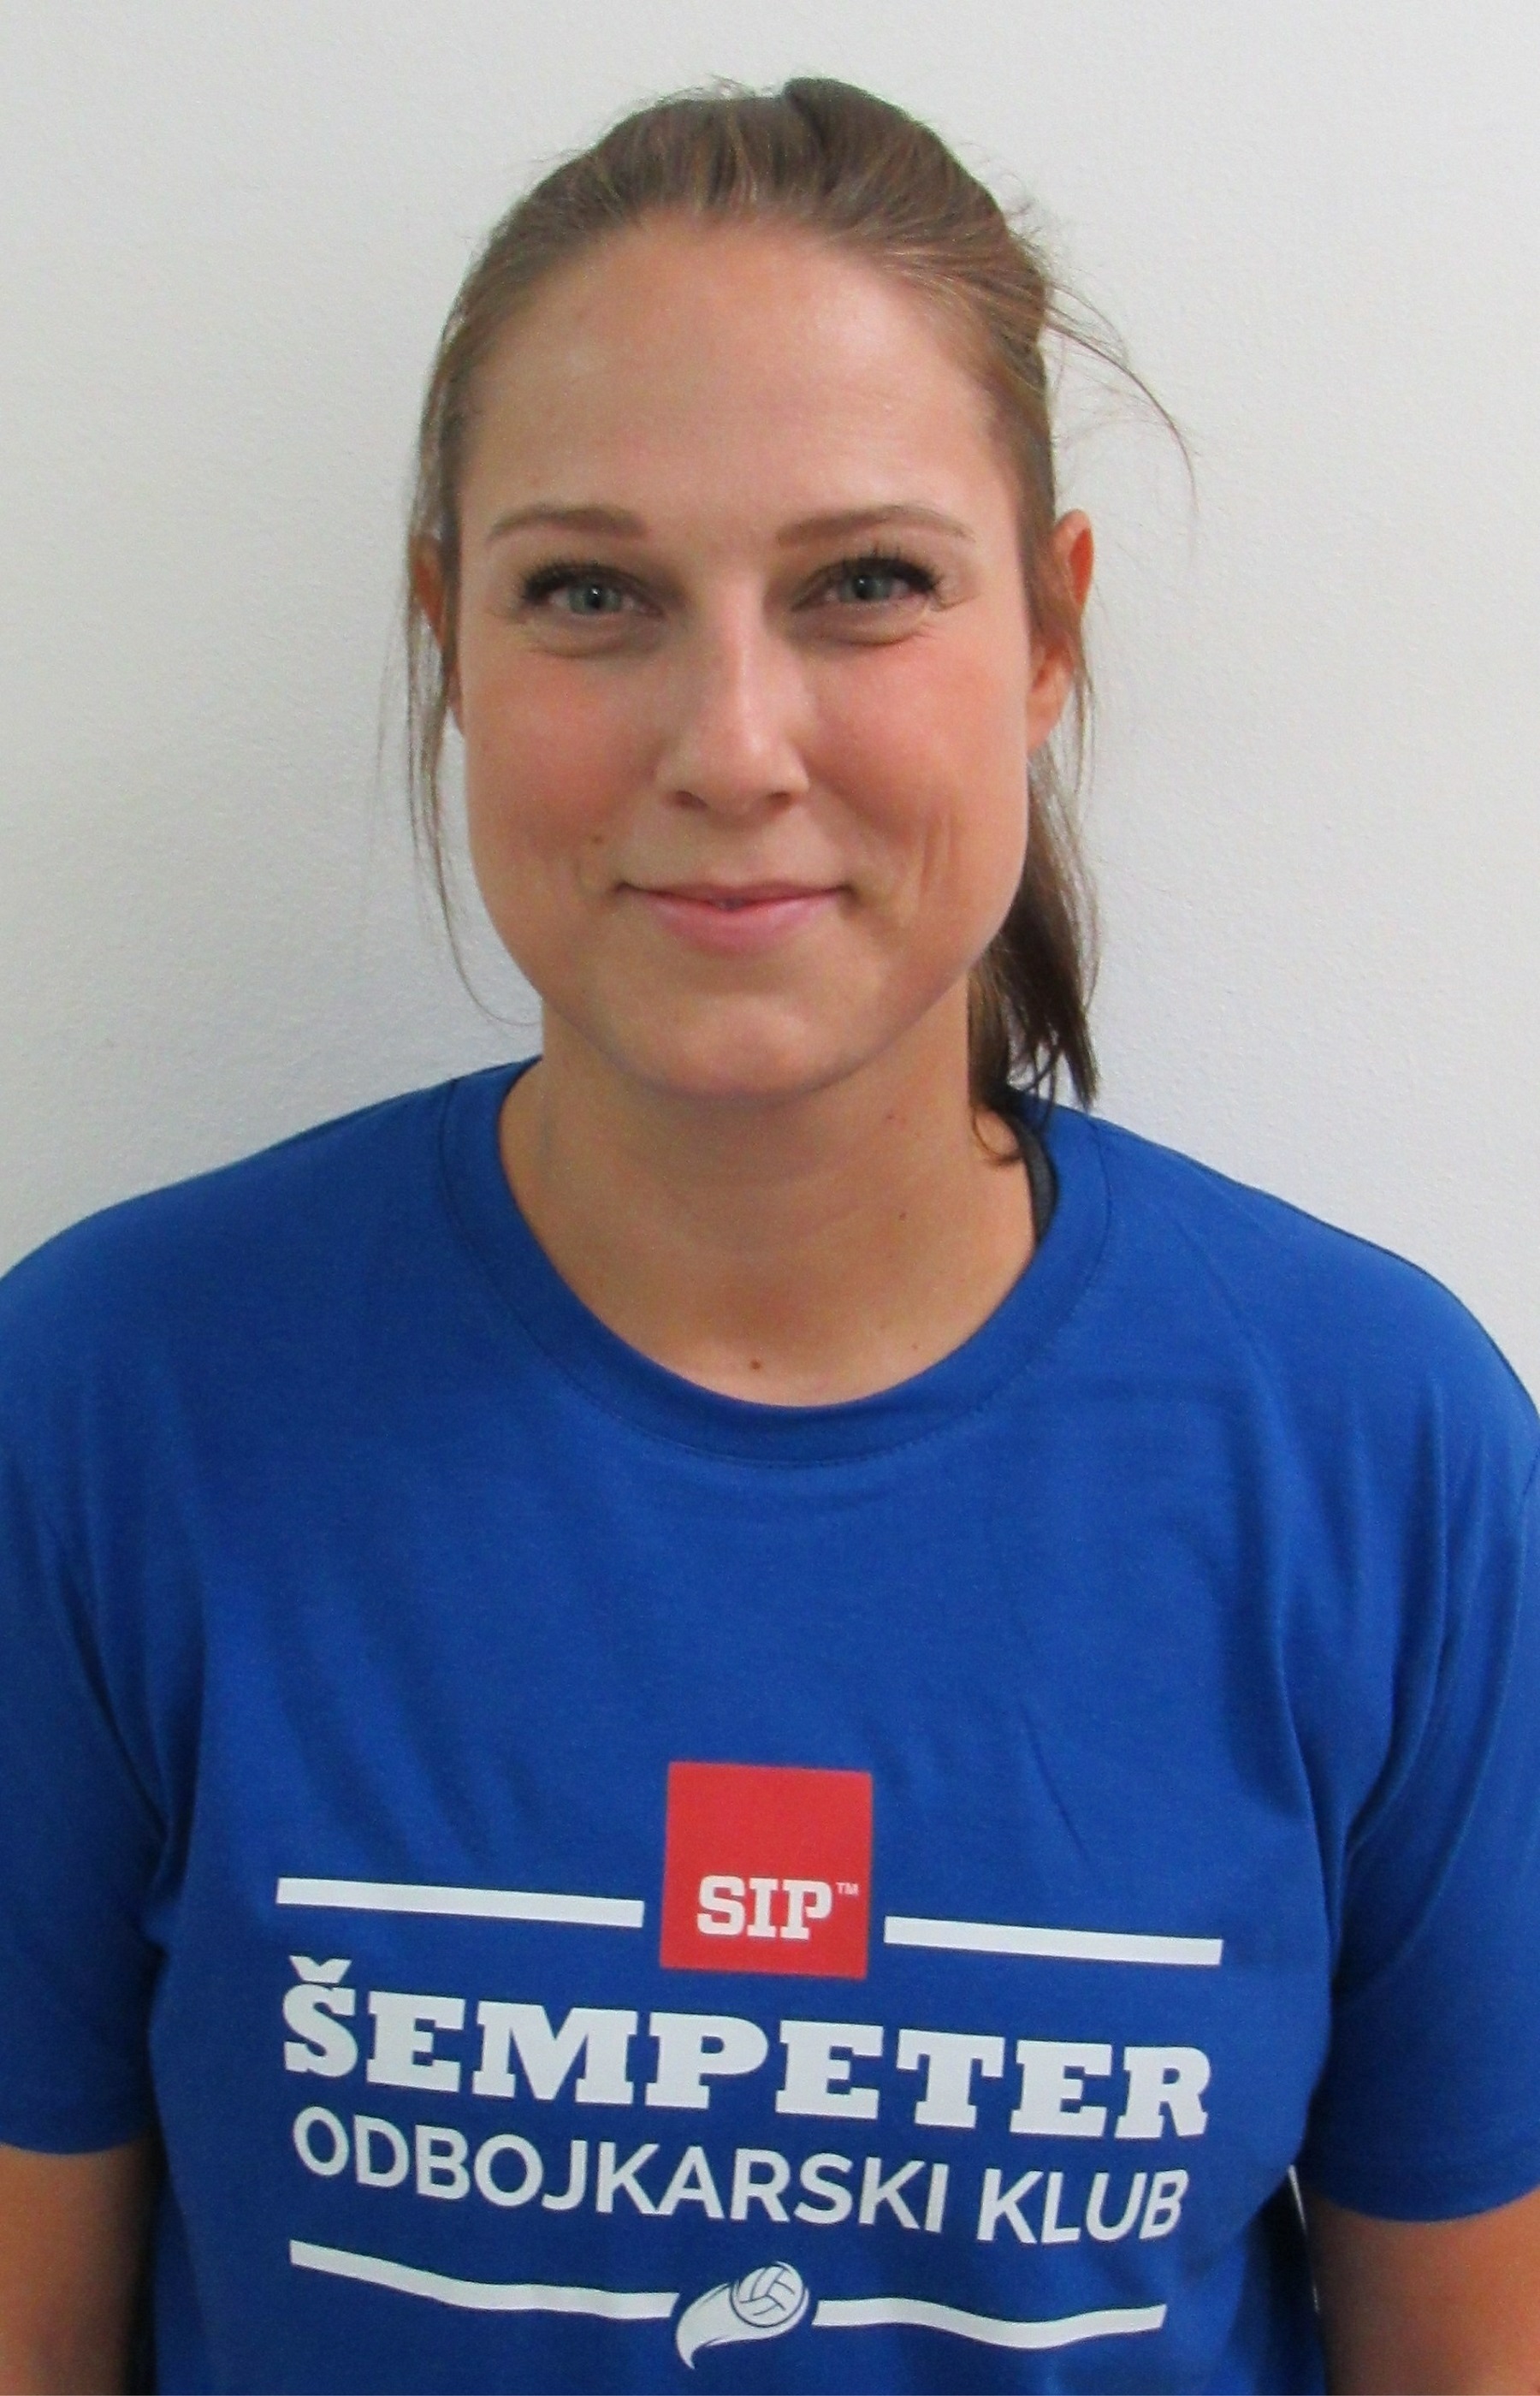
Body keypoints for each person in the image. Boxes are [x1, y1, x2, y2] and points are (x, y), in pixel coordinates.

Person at [1, 73, 1537, 2396]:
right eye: (591, 592)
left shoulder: (1381, 1456)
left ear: (1051, 634)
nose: (731, 744)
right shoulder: (109, 1406)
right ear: (450, 634)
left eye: (866, 586)